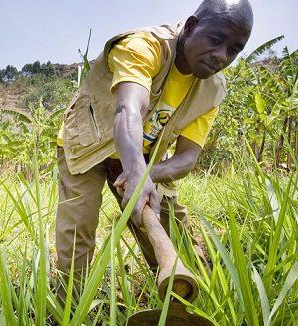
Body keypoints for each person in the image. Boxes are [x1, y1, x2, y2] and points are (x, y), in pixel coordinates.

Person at [55, 0, 253, 301]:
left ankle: (192, 297)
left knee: (168, 223)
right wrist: (135, 172)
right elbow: (129, 110)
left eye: (234, 50)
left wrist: (145, 174)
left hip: (144, 156)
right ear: (190, 27)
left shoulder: (213, 89)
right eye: (216, 40)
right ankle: (69, 308)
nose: (221, 56)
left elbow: (187, 158)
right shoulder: (144, 46)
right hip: (89, 145)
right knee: (78, 226)